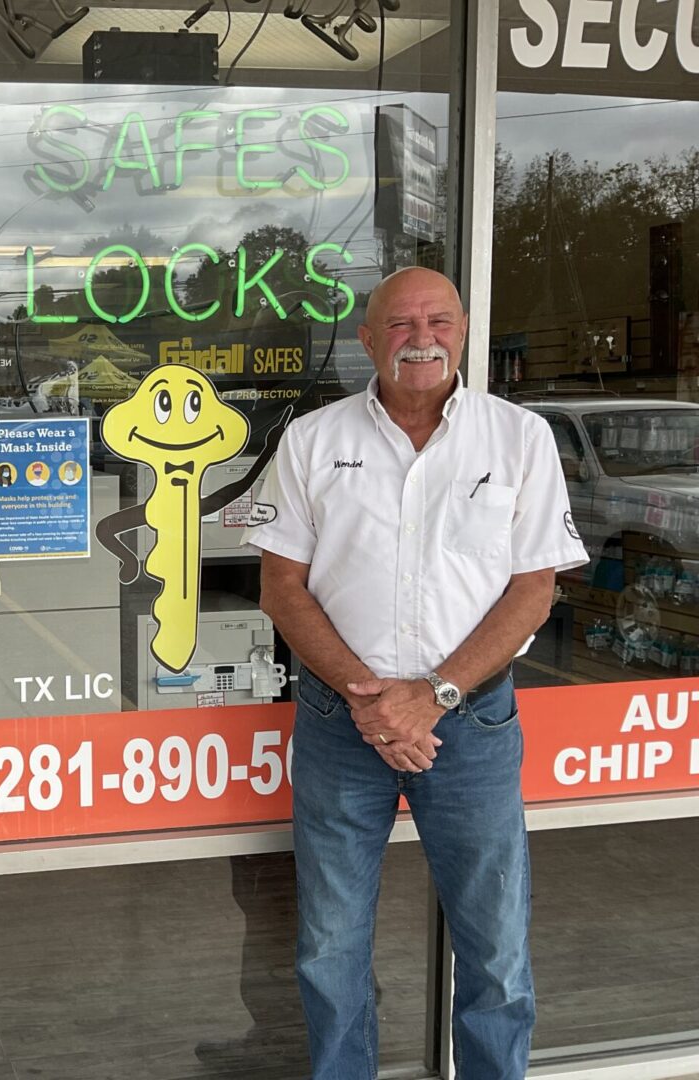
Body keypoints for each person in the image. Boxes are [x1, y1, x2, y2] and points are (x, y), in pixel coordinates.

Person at [241, 267, 587, 1079]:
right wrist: (373, 703)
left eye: (438, 320)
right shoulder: (314, 440)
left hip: (471, 725)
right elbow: (279, 588)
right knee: (329, 944)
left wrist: (431, 697)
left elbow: (534, 589)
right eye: (399, 323)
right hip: (341, 724)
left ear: (463, 331)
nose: (421, 337)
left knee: (495, 946)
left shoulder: (519, 439)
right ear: (367, 340)